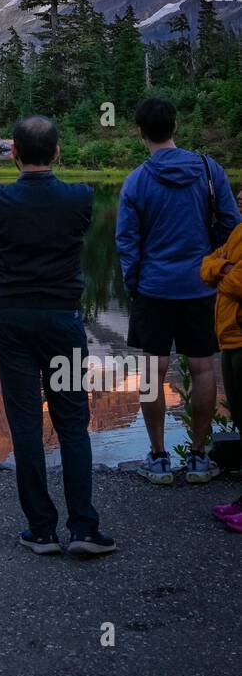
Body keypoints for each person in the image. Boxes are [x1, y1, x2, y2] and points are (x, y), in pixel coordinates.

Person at [0, 118, 115, 555]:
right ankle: (83, 528)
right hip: (61, 322)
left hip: (12, 323)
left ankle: (41, 530)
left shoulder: (0, 199)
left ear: (16, 155)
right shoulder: (80, 197)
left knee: (25, 423)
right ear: (58, 152)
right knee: (72, 423)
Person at [116, 97, 241, 486]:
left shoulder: (137, 180)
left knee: (153, 370)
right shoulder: (209, 170)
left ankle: (157, 459)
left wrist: (135, 282)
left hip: (154, 288)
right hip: (200, 288)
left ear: (141, 133)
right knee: (204, 368)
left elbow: (127, 241)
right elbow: (232, 225)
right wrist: (215, 266)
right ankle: (200, 458)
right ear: (175, 126)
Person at [200, 182, 242, 532]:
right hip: (230, 336)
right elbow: (207, 264)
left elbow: (237, 281)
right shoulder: (239, 231)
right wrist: (222, 267)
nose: (239, 196)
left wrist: (223, 269)